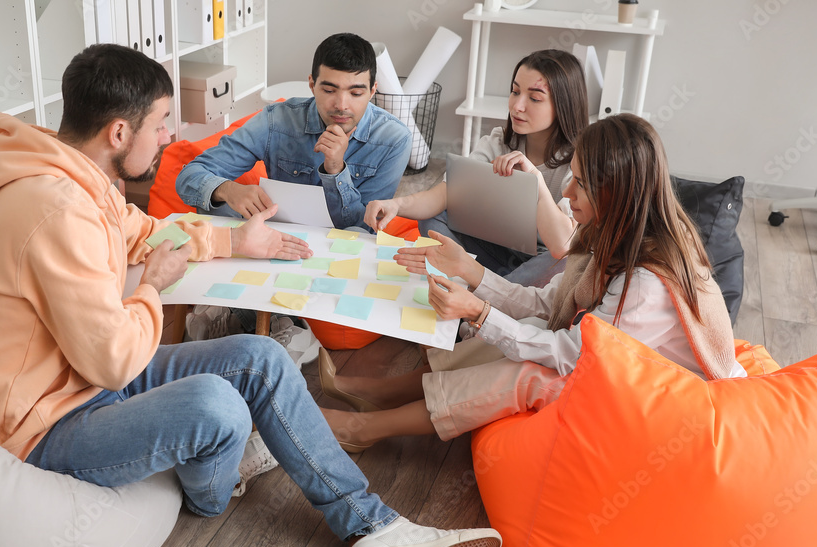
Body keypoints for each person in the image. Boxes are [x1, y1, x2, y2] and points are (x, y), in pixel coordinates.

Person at [0, 43, 501, 547]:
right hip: (40, 421)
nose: (169, 136)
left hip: (70, 377)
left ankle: (372, 525)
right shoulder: (56, 209)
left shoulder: (82, 183)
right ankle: (216, 485)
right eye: (160, 124)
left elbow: (151, 232)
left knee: (264, 356)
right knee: (218, 407)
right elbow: (113, 362)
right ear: (118, 133)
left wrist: (233, 245)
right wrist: (151, 289)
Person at [320, 114, 748, 450]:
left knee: (531, 371)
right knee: (524, 331)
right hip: (625, 367)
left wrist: (479, 312)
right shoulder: (619, 234)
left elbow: (570, 359)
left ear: (616, 193)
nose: (568, 192)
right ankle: (377, 393)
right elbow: (548, 304)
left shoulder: (644, 284)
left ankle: (367, 428)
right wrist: (470, 273)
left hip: (671, 403)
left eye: (581, 183)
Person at [364, 50, 588, 287]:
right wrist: (396, 204)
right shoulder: (498, 141)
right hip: (494, 249)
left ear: (563, 104)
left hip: (541, 259)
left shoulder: (577, 162)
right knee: (434, 215)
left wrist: (536, 181)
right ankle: (487, 282)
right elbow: (446, 193)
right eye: (515, 91)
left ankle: (487, 290)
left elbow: (562, 245)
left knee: (571, 256)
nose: (517, 105)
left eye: (534, 98)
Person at [175, 32, 410, 233]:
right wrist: (227, 189)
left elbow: (364, 228)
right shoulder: (275, 121)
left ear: (372, 91)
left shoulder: (394, 140)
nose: (341, 105)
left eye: (356, 94)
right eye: (329, 90)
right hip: (276, 240)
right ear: (311, 85)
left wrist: (336, 170)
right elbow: (189, 177)